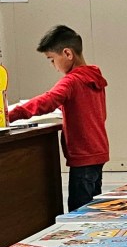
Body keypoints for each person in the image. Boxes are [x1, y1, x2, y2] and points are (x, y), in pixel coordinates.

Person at [7, 25, 108, 210]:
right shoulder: (94, 76)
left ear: (68, 53)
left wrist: (10, 114)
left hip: (82, 155)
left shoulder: (72, 80)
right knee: (94, 210)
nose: (53, 66)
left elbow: (48, 100)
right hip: (98, 151)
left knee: (79, 213)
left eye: (51, 59)